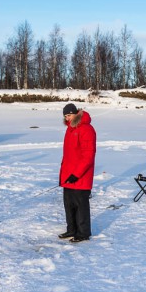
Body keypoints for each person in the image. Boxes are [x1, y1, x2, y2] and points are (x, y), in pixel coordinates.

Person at [58, 103, 96, 243]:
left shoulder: (86, 129)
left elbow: (88, 155)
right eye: (65, 116)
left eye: (69, 115)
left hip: (81, 176)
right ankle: (72, 229)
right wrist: (64, 174)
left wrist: (77, 173)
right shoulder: (70, 129)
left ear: (76, 113)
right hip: (68, 176)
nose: (67, 118)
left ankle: (83, 233)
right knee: (69, 204)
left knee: (81, 206)